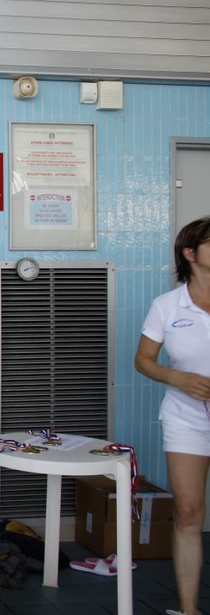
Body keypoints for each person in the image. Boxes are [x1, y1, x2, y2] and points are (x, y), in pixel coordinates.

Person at [133, 216, 210, 615]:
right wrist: (177, 377)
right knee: (187, 512)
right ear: (190, 253)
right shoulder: (167, 305)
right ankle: (189, 608)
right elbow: (143, 360)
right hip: (187, 417)